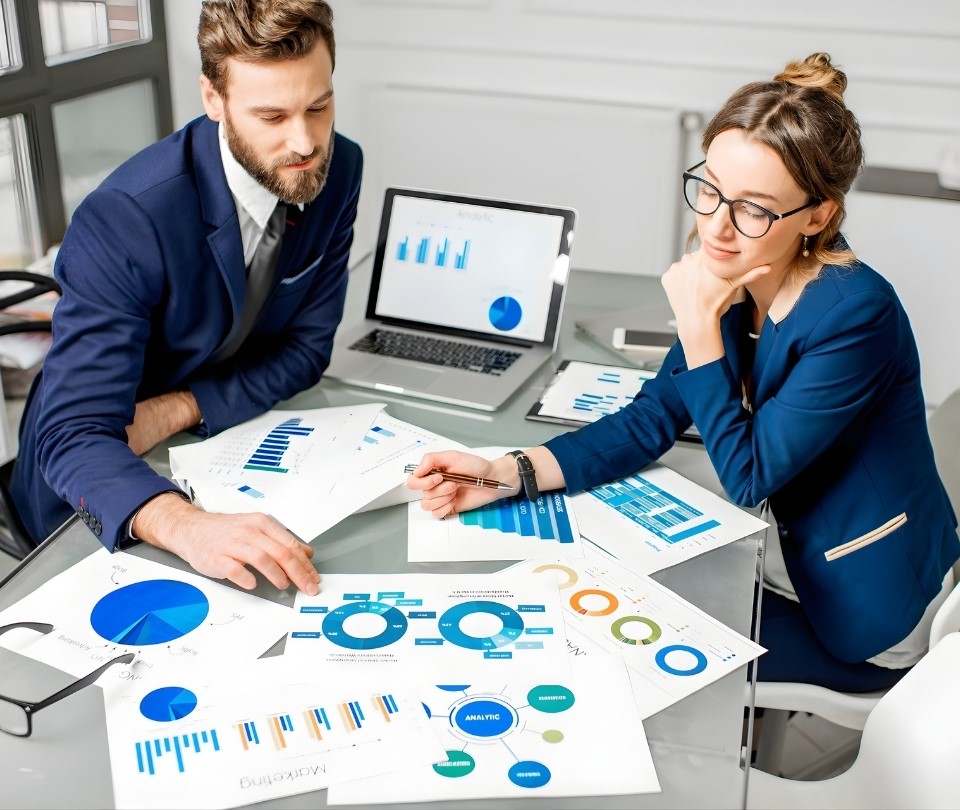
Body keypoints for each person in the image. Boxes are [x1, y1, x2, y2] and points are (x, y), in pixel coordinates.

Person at [408, 53, 960, 691]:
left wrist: (699, 329)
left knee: (609, 656)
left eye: (754, 209)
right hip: (780, 556)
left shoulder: (854, 314)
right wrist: (510, 472)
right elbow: (651, 419)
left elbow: (748, 476)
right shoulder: (738, 272)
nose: (717, 227)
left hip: (865, 611)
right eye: (712, 190)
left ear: (817, 215)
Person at [11, 0, 363, 596]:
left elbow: (307, 351)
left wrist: (178, 409)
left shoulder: (336, 168)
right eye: (271, 116)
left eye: (319, 106)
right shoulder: (127, 216)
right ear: (213, 99)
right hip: (106, 489)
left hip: (227, 447)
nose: (304, 141)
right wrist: (184, 523)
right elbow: (72, 434)